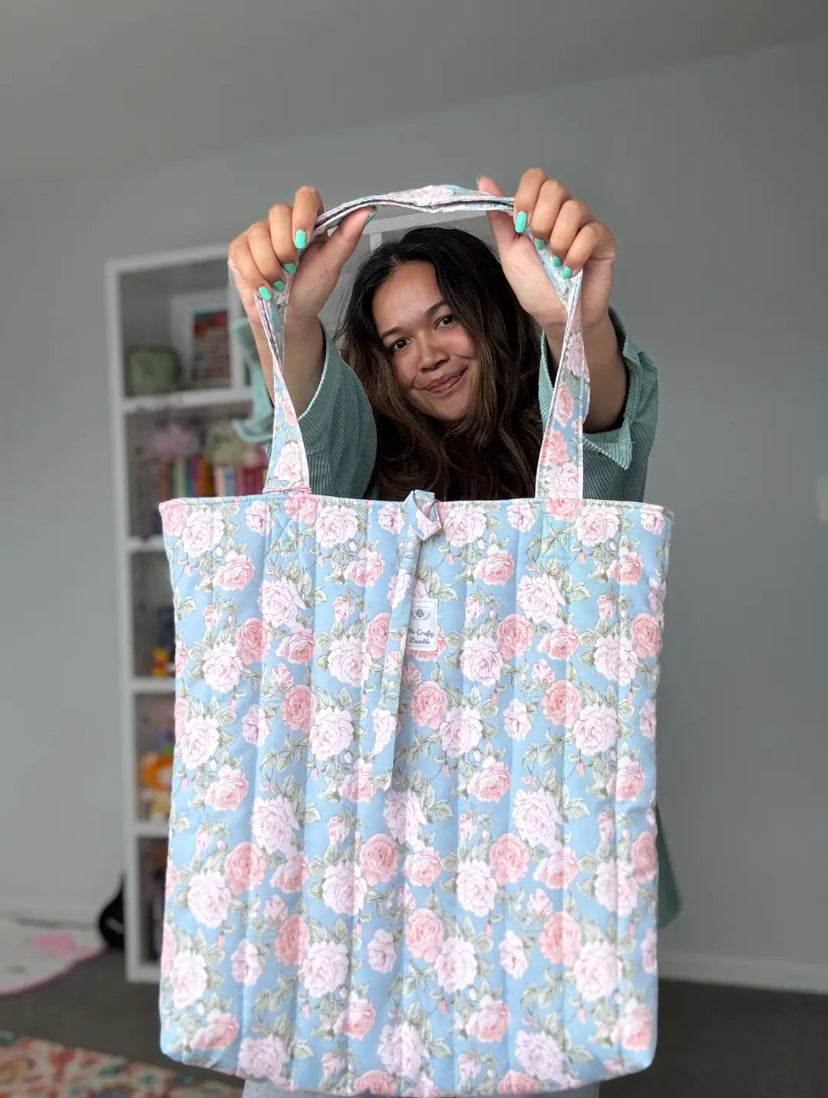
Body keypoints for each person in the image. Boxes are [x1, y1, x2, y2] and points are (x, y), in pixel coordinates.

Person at [227, 169, 679, 1098]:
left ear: (494, 315)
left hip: (535, 850)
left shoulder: (567, 466)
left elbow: (599, 433)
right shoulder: (365, 463)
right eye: (395, 340)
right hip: (367, 838)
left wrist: (571, 323)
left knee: (533, 1058)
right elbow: (311, 469)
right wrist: (295, 330)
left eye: (444, 319)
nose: (424, 354)